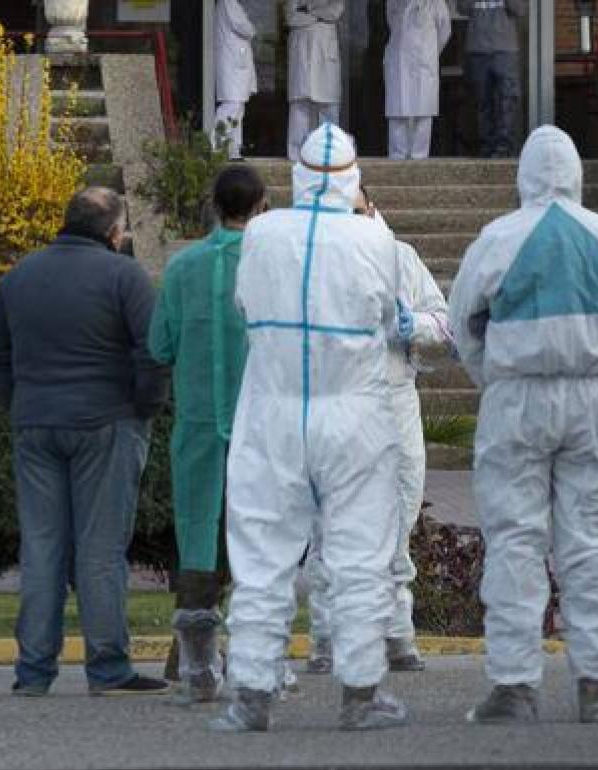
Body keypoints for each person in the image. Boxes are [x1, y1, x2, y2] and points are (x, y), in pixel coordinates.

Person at [213, 123, 409, 733]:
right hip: (353, 411)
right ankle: (360, 692)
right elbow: (393, 319)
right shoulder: (375, 240)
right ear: (353, 179)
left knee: (262, 554)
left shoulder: (263, 234)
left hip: (272, 408)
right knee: (359, 553)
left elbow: (243, 307)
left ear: (296, 178)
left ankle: (251, 693)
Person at [447, 126, 598, 723]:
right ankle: (597, 683)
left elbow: (462, 324)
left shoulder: (499, 238)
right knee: (592, 543)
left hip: (518, 400)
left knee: (514, 540)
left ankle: (514, 685)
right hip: (595, 398)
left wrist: (498, 379)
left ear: (522, 176)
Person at [0, 187, 171, 697]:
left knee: (41, 548)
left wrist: (21, 402)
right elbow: (152, 353)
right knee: (101, 550)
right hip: (106, 422)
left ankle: (33, 670)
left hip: (36, 424)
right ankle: (107, 667)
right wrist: (144, 407)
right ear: (112, 232)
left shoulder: (20, 276)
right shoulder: (124, 276)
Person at [304, 186, 453, 675]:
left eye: (356, 210)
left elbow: (443, 318)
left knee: (398, 517)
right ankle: (326, 638)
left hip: (393, 401)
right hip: (336, 402)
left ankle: (396, 635)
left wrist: (416, 326)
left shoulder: (402, 258)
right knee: (331, 525)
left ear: (371, 210)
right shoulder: (310, 265)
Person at [147, 165, 268, 703]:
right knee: (260, 535)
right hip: (259, 422)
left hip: (197, 421)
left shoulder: (182, 267)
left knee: (198, 529)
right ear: (262, 206)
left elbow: (159, 345)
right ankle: (253, 658)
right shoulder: (268, 266)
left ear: (214, 206)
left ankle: (192, 656)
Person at [384, 0, 453, 160]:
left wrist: (430, 51)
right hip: (400, 58)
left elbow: (445, 30)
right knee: (398, 110)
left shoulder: (436, 2)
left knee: (423, 112)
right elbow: (391, 22)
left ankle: (419, 157)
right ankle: (397, 156)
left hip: (424, 60)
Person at [460, 0, 527, 158]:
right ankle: (486, 146)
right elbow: (462, 8)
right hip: (477, 49)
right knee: (482, 101)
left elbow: (520, 9)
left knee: (507, 100)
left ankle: (505, 147)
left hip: (505, 50)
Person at [285, 0, 345, 162]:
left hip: (325, 55)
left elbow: (335, 12)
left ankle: (330, 155)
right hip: (302, 54)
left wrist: (308, 10)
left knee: (328, 108)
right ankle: (296, 155)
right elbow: (291, 18)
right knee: (300, 107)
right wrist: (319, 15)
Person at [213, 0, 258, 160]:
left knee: (237, 108)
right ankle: (217, 147)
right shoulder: (228, 2)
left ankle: (233, 150)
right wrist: (253, 28)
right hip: (231, 64)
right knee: (231, 106)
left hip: (236, 65)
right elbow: (244, 27)